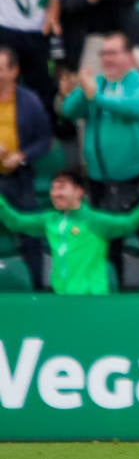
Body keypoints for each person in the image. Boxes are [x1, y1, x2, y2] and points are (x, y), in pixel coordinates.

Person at [58, 31, 139, 288]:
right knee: (107, 248)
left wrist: (96, 97)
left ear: (129, 57)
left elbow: (135, 108)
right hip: (101, 183)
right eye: (103, 53)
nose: (106, 59)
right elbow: (69, 111)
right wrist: (81, 93)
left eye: (113, 53)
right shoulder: (97, 84)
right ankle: (110, 298)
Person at [0, 168, 139, 294]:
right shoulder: (50, 220)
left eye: (62, 187)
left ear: (78, 191)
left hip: (92, 301)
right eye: (53, 188)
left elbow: (128, 224)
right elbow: (16, 222)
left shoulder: (94, 220)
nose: (55, 193)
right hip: (61, 299)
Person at [0, 46, 53, 288]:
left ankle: (35, 288)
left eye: (1, 69)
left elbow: (44, 140)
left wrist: (22, 156)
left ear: (14, 71)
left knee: (31, 233)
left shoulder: (29, 101)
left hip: (19, 178)